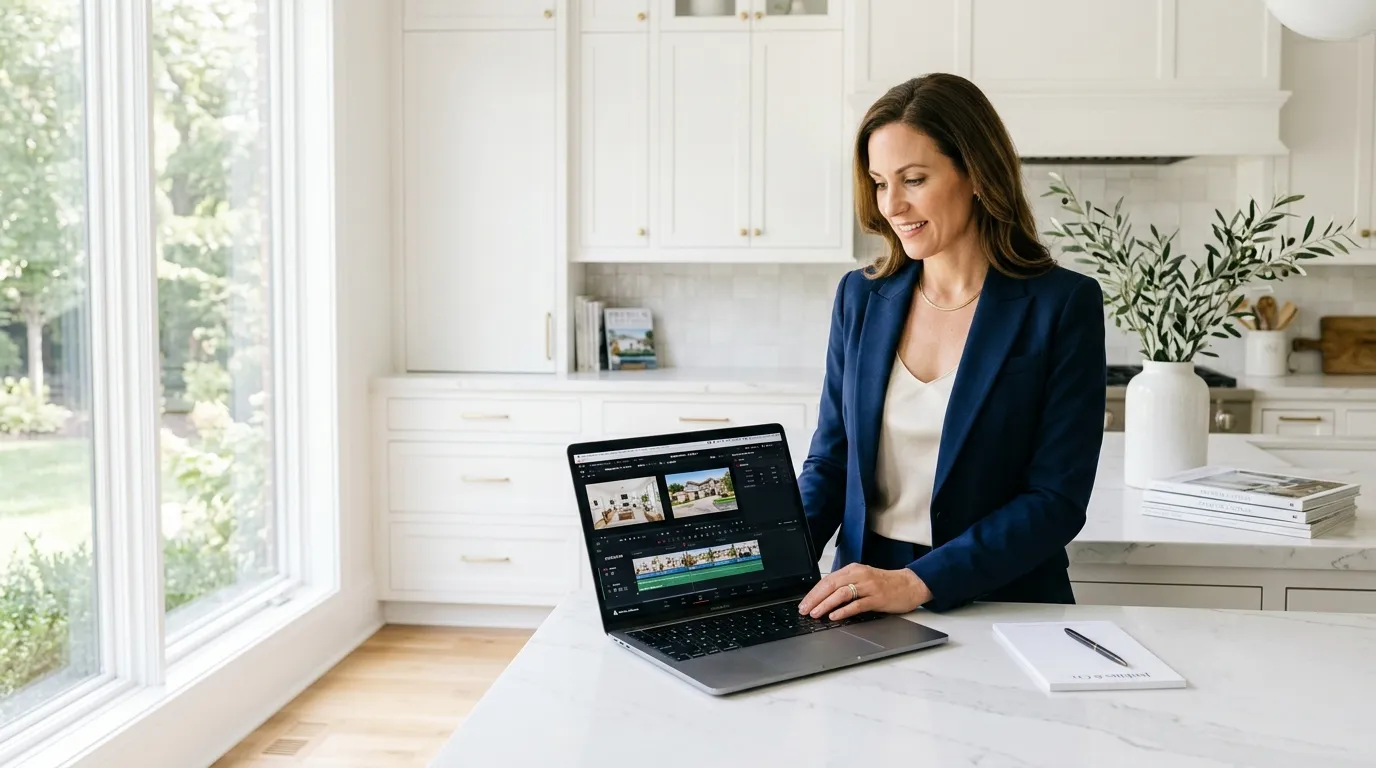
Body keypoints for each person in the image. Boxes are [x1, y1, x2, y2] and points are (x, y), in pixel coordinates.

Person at [796, 73, 1106, 622]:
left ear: (977, 175)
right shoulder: (860, 297)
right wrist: (759, 562)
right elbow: (831, 460)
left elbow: (1056, 499)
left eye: (913, 179)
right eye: (878, 181)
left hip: (1004, 598)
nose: (891, 204)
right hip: (863, 591)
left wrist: (917, 583)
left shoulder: (1062, 305)